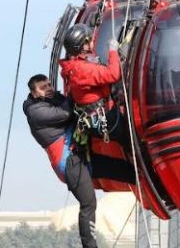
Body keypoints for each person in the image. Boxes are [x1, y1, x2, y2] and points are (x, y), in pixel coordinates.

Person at [23, 73, 134, 248]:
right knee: (88, 202)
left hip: (82, 156)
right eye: (43, 88)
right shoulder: (35, 111)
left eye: (49, 85)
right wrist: (77, 90)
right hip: (69, 163)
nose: (49, 89)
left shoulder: (54, 99)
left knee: (127, 171)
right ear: (34, 93)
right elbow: (67, 113)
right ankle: (89, 246)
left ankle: (156, 184)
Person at [58, 24, 124, 147]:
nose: (93, 40)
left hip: (94, 116)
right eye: (90, 39)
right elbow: (113, 74)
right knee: (132, 137)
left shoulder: (74, 65)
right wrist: (113, 51)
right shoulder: (82, 69)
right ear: (84, 45)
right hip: (107, 118)